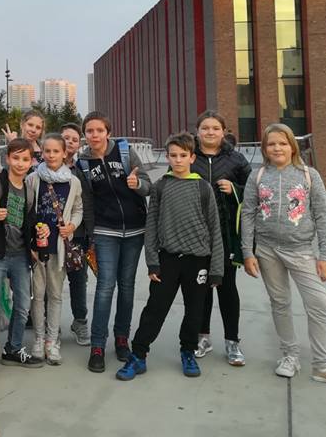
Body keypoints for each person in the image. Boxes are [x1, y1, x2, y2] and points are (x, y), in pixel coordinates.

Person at [241, 124, 326, 389]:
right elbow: (248, 213)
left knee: (318, 304)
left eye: (282, 143)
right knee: (280, 303)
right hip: (267, 250)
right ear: (264, 148)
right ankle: (290, 356)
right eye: (271, 144)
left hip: (301, 250)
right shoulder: (257, 176)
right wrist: (247, 252)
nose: (277, 148)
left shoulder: (309, 175)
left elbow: (322, 216)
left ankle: (323, 365)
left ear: (292, 147)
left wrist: (325, 255)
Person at [116, 132, 223, 381]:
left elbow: (214, 229)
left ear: (192, 157)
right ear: (167, 157)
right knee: (155, 308)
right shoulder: (161, 186)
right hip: (168, 259)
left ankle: (188, 352)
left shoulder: (203, 187)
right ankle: (138, 355)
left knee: (194, 310)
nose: (178, 160)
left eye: (183, 155)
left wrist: (216, 269)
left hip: (198, 260)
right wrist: (152, 261)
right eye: (173, 155)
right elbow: (151, 225)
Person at [76, 111, 151, 373]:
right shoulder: (83, 163)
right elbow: (86, 202)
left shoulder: (125, 152)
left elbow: (148, 186)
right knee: (105, 286)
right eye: (89, 131)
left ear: (108, 132)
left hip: (134, 229)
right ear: (85, 134)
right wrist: (90, 234)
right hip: (105, 230)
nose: (94, 135)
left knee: (127, 287)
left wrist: (136, 183)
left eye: (99, 130)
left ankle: (121, 338)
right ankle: (97, 345)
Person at [0, 138, 45, 387]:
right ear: (7, 159)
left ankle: (12, 349)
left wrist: (38, 234)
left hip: (20, 255)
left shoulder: (29, 188)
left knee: (23, 305)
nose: (20, 163)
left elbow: (30, 220)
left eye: (25, 159)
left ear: (31, 161)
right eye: (16, 158)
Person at [191, 110, 251, 366]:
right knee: (201, 288)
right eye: (205, 128)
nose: (210, 132)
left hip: (225, 235)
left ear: (224, 131)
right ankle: (202, 337)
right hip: (196, 235)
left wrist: (235, 189)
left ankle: (232, 341)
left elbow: (256, 191)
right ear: (197, 131)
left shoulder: (236, 159)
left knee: (227, 289)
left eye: (215, 128)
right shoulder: (189, 157)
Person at [26, 133, 83, 366]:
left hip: (59, 246)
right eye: (47, 151)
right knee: (38, 295)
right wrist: (30, 238)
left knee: (56, 295)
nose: (51, 155)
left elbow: (78, 209)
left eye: (56, 151)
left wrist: (72, 226)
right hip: (37, 247)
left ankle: (52, 340)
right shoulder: (33, 179)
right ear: (42, 153)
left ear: (64, 153)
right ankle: (39, 339)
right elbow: (28, 210)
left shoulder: (73, 182)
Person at [61, 122, 93, 346]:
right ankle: (49, 323)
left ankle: (80, 321)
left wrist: (90, 234)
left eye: (74, 139)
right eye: (66, 138)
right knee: (50, 283)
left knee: (78, 280)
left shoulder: (82, 169)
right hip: (50, 236)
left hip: (78, 235)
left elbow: (88, 202)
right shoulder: (43, 166)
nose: (70, 142)